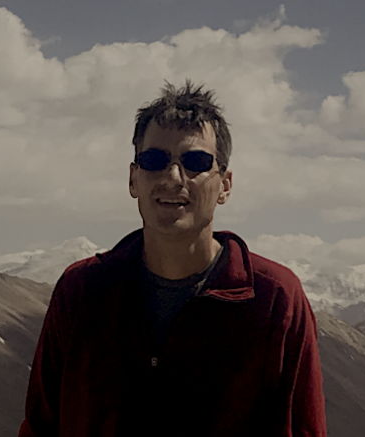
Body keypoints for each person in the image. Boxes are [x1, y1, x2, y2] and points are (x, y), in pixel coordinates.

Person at [18, 80, 326, 436]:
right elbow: (41, 426)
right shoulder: (82, 292)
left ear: (225, 185)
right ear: (134, 179)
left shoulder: (274, 300)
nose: (173, 177)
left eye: (195, 161)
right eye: (154, 160)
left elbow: (303, 428)